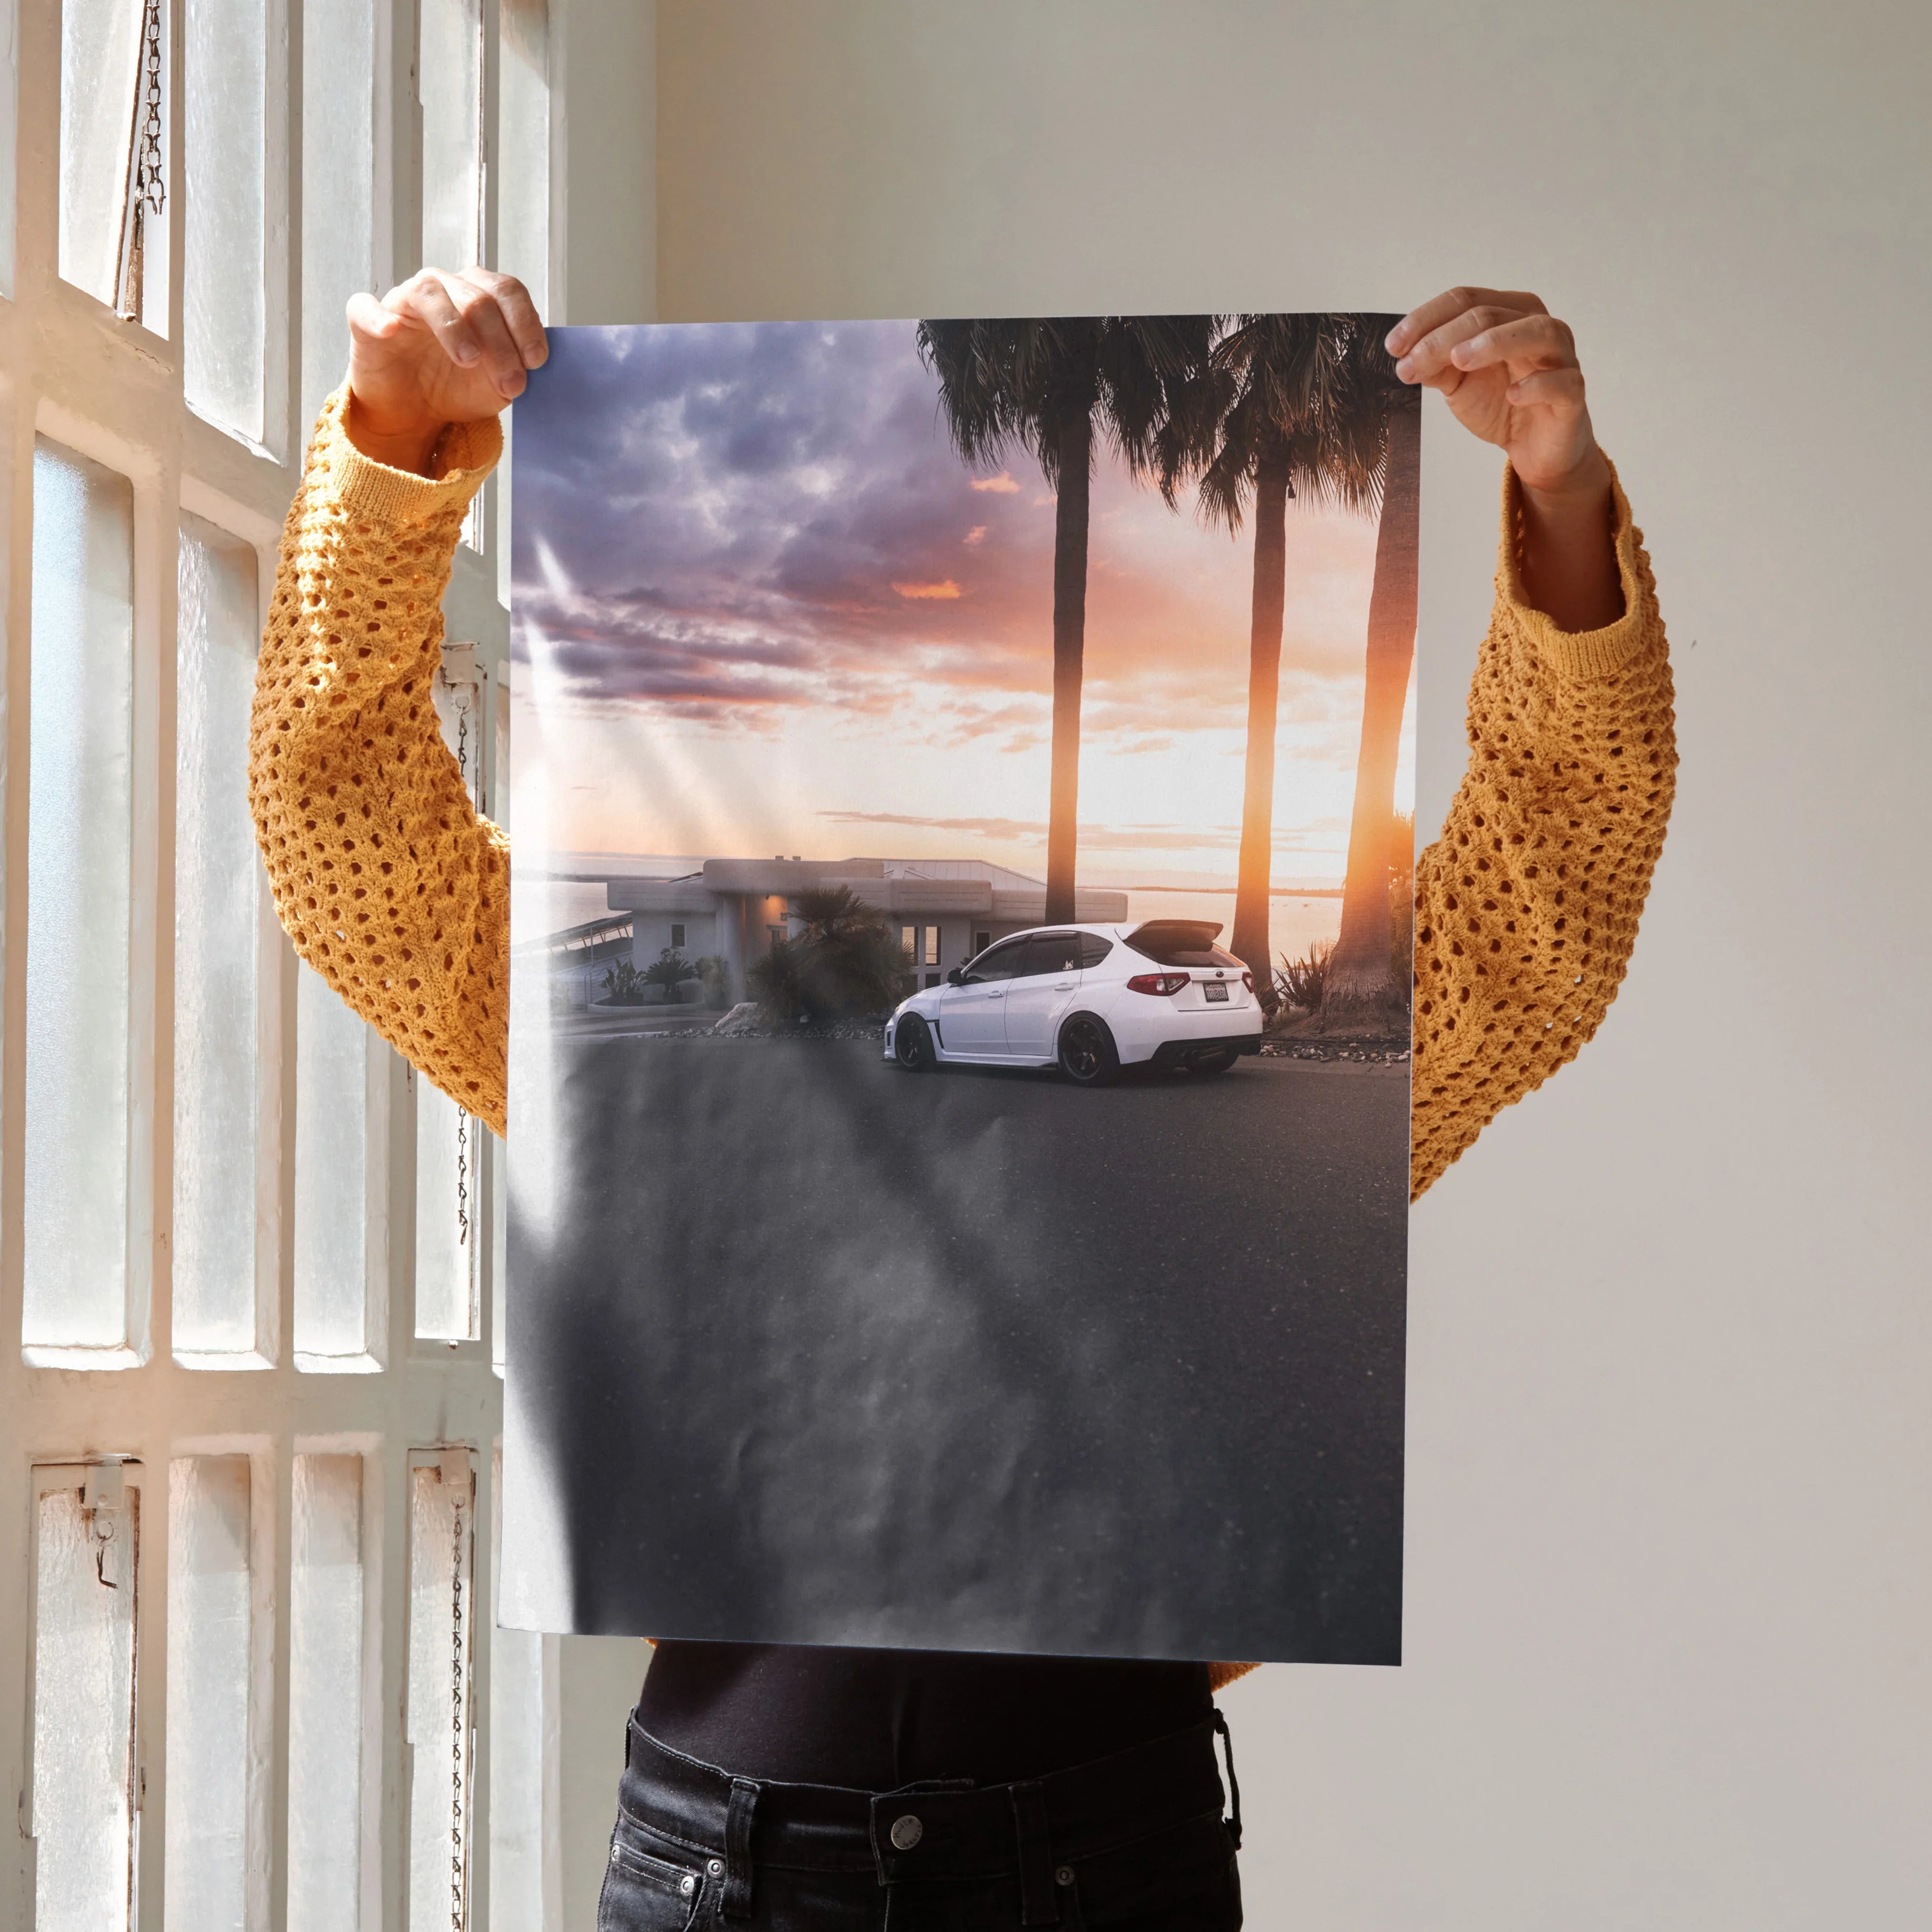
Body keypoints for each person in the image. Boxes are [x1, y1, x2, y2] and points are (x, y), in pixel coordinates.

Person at [250, 271, 1675, 1930]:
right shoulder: (633, 1088)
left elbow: (1547, 900)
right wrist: (392, 446)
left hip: (1105, 1853)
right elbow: (349, 845)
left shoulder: (1247, 1112)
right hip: (725, 1865)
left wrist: (1560, 496)